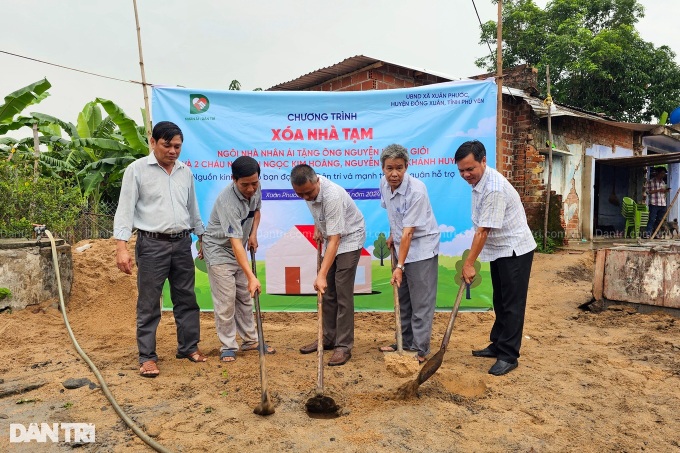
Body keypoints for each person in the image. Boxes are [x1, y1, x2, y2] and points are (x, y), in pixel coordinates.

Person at [114, 121, 207, 378]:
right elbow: (124, 211)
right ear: (153, 142)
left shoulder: (185, 172)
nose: (173, 151)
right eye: (167, 145)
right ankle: (147, 357)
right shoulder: (136, 171)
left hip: (181, 243)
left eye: (177, 146)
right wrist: (121, 247)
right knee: (149, 302)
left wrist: (201, 237)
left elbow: (193, 209)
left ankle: (188, 347)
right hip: (151, 244)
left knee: (186, 298)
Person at [455, 140, 536, 376]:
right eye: (461, 170)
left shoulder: (493, 188)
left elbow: (483, 231)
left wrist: (469, 263)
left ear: (483, 161)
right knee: (500, 300)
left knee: (512, 303)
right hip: (500, 249)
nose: (466, 174)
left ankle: (509, 355)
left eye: (470, 169)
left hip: (515, 249)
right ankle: (497, 344)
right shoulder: (480, 182)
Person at [202, 156, 275, 362]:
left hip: (239, 246)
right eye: (245, 185)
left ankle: (251, 340)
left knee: (244, 296)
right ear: (233, 179)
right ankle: (228, 345)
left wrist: (253, 234)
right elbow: (234, 242)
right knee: (226, 299)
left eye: (255, 183)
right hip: (219, 249)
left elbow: (256, 211)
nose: (251, 189)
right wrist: (251, 276)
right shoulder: (228, 202)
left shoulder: (255, 188)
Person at [291, 164, 366, 366]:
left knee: (341, 290)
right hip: (333, 235)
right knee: (329, 293)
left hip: (349, 237)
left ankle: (343, 346)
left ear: (317, 182)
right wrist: (318, 226)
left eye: (309, 192)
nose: (306, 197)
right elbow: (319, 213)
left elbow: (335, 239)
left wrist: (321, 274)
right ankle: (328, 337)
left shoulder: (332, 195)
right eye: (300, 194)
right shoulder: (307, 190)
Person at [377, 144, 440, 364]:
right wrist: (392, 236)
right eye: (389, 168)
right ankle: (402, 342)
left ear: (407, 167)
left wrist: (399, 267)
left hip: (421, 248)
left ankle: (419, 349)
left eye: (399, 168)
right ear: (383, 168)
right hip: (401, 245)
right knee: (403, 300)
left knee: (420, 302)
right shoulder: (384, 184)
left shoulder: (417, 190)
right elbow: (395, 216)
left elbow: (410, 231)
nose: (394, 174)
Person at [645, 166, 670, 238]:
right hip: (654, 203)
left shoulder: (663, 182)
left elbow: (662, 192)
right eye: (662, 173)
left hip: (662, 203)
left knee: (660, 220)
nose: (663, 175)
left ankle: (655, 233)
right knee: (652, 219)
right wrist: (659, 190)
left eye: (664, 173)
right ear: (657, 173)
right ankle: (648, 233)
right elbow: (648, 192)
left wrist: (665, 191)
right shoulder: (650, 182)